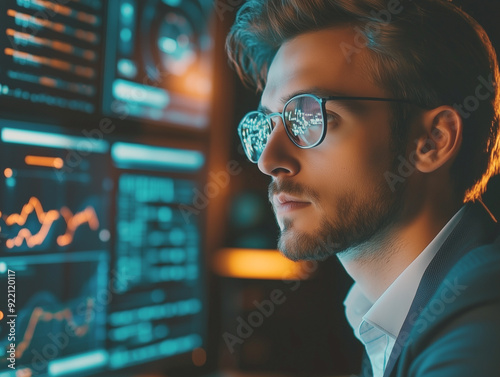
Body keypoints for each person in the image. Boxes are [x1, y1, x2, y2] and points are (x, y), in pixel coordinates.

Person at [226, 0, 500, 376]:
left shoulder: (480, 329)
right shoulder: (403, 315)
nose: (267, 160)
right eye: (265, 125)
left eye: (308, 117)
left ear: (432, 141)